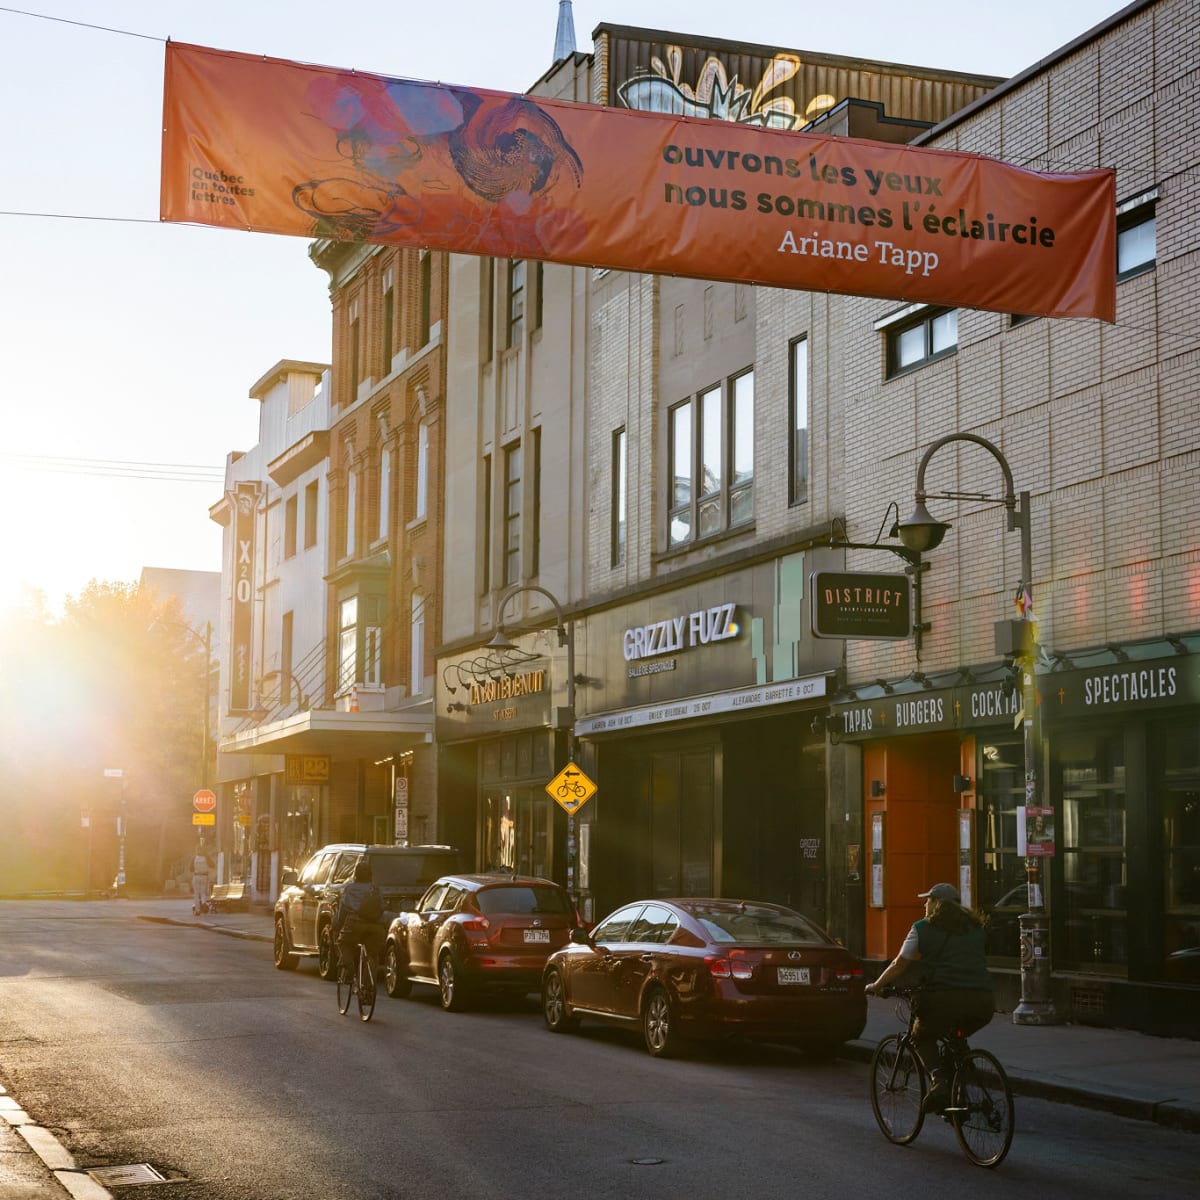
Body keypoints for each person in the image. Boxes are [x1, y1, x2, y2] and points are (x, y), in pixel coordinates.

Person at [865, 882, 995, 1113]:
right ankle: (960, 1074)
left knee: (920, 1036)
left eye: (928, 900)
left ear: (936, 904)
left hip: (944, 1000)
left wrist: (876, 985)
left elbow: (900, 964)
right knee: (956, 1038)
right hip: (983, 1002)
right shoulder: (976, 928)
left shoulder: (922, 928)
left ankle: (939, 1081)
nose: (924, 904)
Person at [332, 859, 384, 979]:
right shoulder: (375, 889)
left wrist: (337, 926)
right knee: (372, 953)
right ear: (371, 875)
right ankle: (369, 982)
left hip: (354, 924)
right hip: (376, 927)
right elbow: (381, 908)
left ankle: (349, 967)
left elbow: (343, 911)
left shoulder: (349, 889)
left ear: (356, 874)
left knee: (343, 943)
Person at [191, 843, 211, 911]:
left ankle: (197, 910)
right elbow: (212, 865)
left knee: (196, 893)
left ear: (196, 850)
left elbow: (190, 868)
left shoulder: (194, 858)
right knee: (203, 892)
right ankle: (203, 902)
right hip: (204, 876)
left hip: (196, 876)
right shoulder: (206, 857)